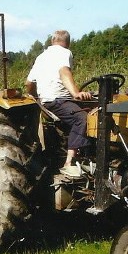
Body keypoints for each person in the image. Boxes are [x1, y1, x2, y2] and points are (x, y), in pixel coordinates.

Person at [25, 29, 93, 177]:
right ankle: (70, 162)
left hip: (47, 101)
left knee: (81, 110)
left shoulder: (41, 57)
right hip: (58, 100)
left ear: (52, 41)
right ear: (68, 43)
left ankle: (85, 154)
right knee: (83, 118)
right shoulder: (64, 52)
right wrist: (76, 93)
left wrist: (35, 99)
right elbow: (64, 72)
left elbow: (29, 83)